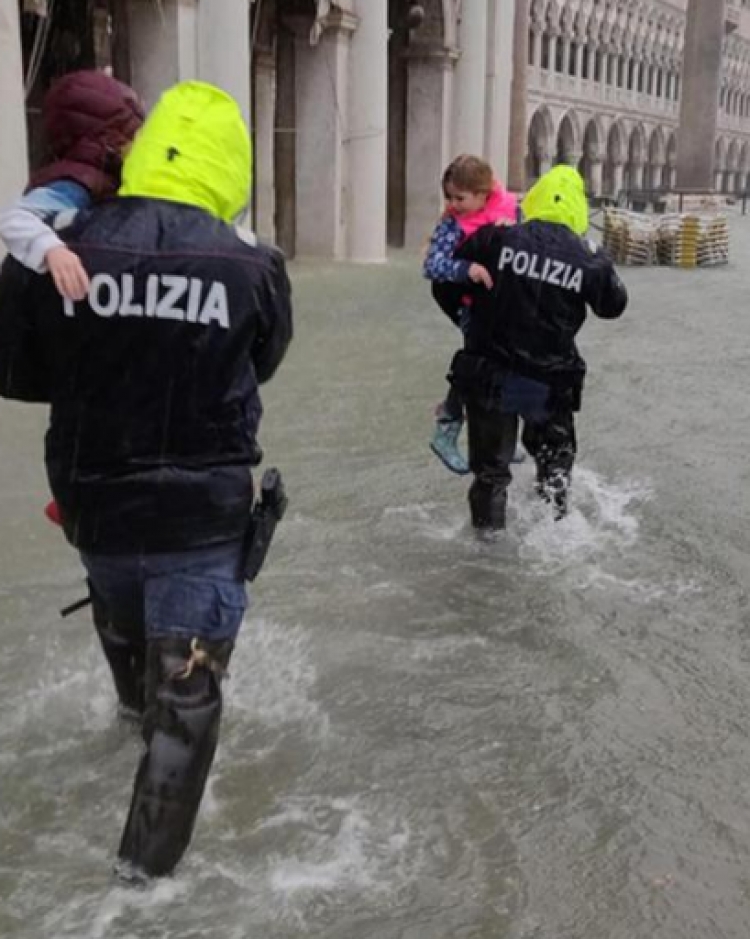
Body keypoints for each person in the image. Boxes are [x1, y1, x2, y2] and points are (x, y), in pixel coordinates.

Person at [0, 80, 293, 884]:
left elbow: (15, 370)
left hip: (98, 512)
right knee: (185, 706)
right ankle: (138, 894)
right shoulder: (252, 262)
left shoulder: (64, 237)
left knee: (135, 681)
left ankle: (126, 728)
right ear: (230, 166)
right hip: (201, 522)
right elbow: (262, 361)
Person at [0, 69, 146, 526]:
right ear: (103, 138)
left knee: (92, 406)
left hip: (86, 307)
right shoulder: (73, 183)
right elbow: (14, 220)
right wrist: (52, 252)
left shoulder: (100, 176)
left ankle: (75, 492)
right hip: (71, 298)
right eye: (131, 133)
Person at [446, 165, 628, 531]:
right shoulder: (588, 256)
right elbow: (613, 306)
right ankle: (556, 533)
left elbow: (448, 276)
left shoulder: (497, 238)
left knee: (490, 476)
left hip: (491, 376)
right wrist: (596, 259)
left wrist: (468, 322)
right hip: (549, 381)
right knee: (555, 466)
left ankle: (486, 554)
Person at [423, 154, 520, 475]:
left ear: (483, 194)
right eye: (449, 197)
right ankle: (447, 428)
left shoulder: (510, 210)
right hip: (468, 304)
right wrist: (468, 269)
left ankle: (506, 434)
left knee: (506, 363)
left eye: (459, 198)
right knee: (476, 363)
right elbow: (432, 265)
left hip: (501, 306)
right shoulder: (451, 224)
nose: (453, 204)